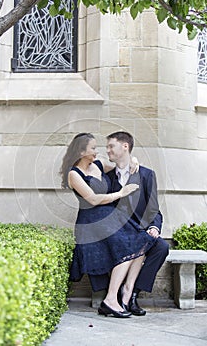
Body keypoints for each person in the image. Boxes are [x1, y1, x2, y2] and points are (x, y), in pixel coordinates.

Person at [60, 133, 157, 318]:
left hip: (109, 218)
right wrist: (120, 193)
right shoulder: (74, 174)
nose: (98, 151)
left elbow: (121, 163)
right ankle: (111, 300)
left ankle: (125, 295)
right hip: (91, 222)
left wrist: (134, 160)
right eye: (93, 148)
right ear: (81, 152)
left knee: (142, 242)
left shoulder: (98, 164)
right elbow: (93, 199)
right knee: (127, 247)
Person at [106, 131, 169, 316]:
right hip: (117, 233)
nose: (107, 150)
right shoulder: (107, 177)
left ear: (125, 146)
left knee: (162, 247)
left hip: (141, 229)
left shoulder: (147, 175)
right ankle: (119, 295)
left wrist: (154, 227)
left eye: (111, 146)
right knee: (136, 241)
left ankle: (132, 293)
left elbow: (153, 208)